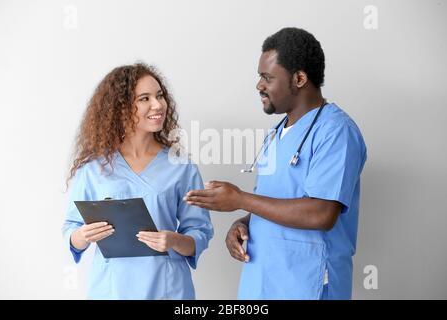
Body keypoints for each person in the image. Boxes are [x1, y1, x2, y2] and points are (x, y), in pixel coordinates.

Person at [184, 27, 367, 299]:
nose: (259, 85)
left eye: (267, 77)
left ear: (300, 78)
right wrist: (244, 223)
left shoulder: (336, 131)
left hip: (309, 283)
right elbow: (276, 201)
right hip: (262, 283)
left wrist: (241, 200)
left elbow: (321, 213)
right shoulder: (276, 134)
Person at [62, 63, 213, 299]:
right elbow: (71, 232)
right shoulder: (93, 169)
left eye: (160, 96)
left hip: (167, 289)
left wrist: (174, 240)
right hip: (111, 290)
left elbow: (199, 233)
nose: (158, 105)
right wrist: (83, 235)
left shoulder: (181, 168)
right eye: (144, 98)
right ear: (120, 108)